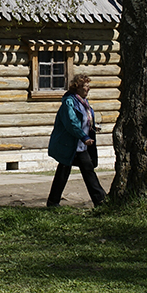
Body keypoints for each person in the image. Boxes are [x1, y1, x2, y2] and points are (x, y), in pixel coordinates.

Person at [46, 73, 107, 208]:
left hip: (78, 145)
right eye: (85, 86)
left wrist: (92, 126)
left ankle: (53, 201)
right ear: (77, 87)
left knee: (66, 171)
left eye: (88, 85)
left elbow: (84, 119)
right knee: (85, 170)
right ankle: (101, 201)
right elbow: (71, 123)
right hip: (70, 144)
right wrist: (84, 137)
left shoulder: (83, 102)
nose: (88, 88)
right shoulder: (69, 102)